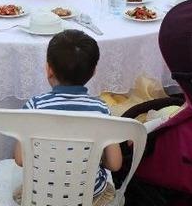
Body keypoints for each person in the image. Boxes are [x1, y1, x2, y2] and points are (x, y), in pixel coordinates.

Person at [14, 30, 121, 205]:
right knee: (107, 189)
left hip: (41, 195)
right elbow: (114, 164)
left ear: (49, 69)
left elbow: (20, 159)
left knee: (24, 190)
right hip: (89, 197)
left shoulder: (34, 107)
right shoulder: (101, 110)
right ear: (94, 71)